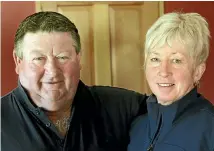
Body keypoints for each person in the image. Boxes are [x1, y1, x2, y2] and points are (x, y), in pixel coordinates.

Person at [1, 11, 148, 151]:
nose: (52, 71)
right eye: (39, 59)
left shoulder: (120, 106)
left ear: (78, 59)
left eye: (62, 57)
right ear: (18, 61)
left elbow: (167, 110)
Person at [128, 12, 214, 151]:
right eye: (155, 59)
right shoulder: (137, 126)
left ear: (197, 71)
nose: (163, 71)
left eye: (176, 60)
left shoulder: (210, 128)